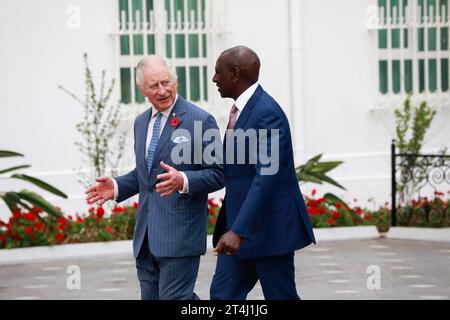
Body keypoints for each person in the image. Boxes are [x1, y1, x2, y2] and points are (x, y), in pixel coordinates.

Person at [85, 55, 224, 300]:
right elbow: (148, 175)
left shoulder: (200, 120)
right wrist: (117, 186)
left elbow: (218, 173)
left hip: (180, 236)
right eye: (154, 85)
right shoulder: (141, 123)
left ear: (176, 81)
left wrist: (184, 180)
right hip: (146, 238)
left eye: (166, 82)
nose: (162, 90)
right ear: (142, 90)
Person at [209, 46, 316, 300]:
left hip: (268, 232)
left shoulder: (267, 113)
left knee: (281, 296)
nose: (214, 79)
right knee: (222, 296)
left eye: (218, 73)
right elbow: (233, 170)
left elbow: (266, 177)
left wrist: (239, 231)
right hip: (239, 230)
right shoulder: (241, 111)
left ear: (235, 74)